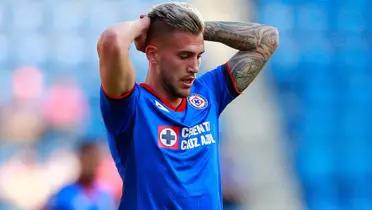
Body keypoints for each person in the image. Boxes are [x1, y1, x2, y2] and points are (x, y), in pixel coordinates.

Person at [98, 2, 278, 209]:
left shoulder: (208, 93)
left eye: (198, 56)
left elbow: (268, 38)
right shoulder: (131, 107)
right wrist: (146, 25)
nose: (194, 67)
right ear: (152, 54)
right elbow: (112, 41)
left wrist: (198, 29)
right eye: (184, 56)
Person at [45, 141, 116, 210]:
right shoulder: (65, 195)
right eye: (88, 159)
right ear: (80, 160)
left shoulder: (105, 195)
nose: (91, 164)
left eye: (94, 159)